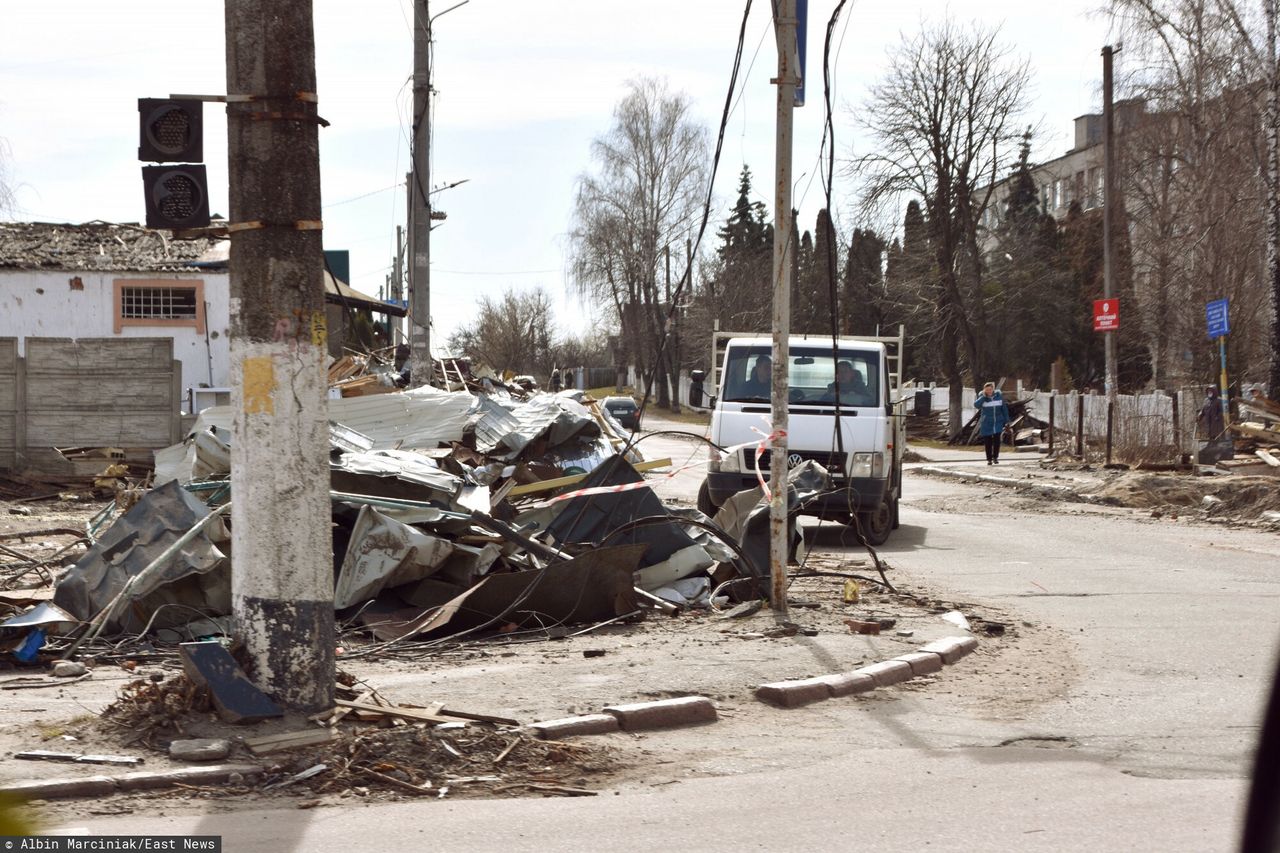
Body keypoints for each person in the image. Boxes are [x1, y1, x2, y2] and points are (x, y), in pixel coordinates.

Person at [974, 381, 1010, 465]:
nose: (989, 391)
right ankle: (989, 459)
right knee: (988, 441)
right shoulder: (982, 397)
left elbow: (1004, 409)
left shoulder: (999, 397)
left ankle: (995, 457)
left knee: (997, 440)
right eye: (987, 390)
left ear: (993, 389)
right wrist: (983, 397)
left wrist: (1007, 420)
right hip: (987, 422)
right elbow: (976, 405)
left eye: (990, 389)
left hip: (998, 421)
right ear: (984, 390)